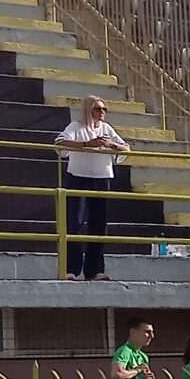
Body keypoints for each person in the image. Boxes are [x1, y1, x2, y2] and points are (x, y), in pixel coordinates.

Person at [55, 97, 128, 281]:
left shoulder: (107, 128)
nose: (102, 112)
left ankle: (94, 270)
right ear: (88, 110)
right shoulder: (76, 126)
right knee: (74, 223)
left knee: (99, 225)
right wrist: (87, 144)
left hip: (101, 179)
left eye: (104, 109)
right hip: (78, 177)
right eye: (98, 109)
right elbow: (60, 143)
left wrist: (111, 145)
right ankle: (71, 268)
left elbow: (126, 148)